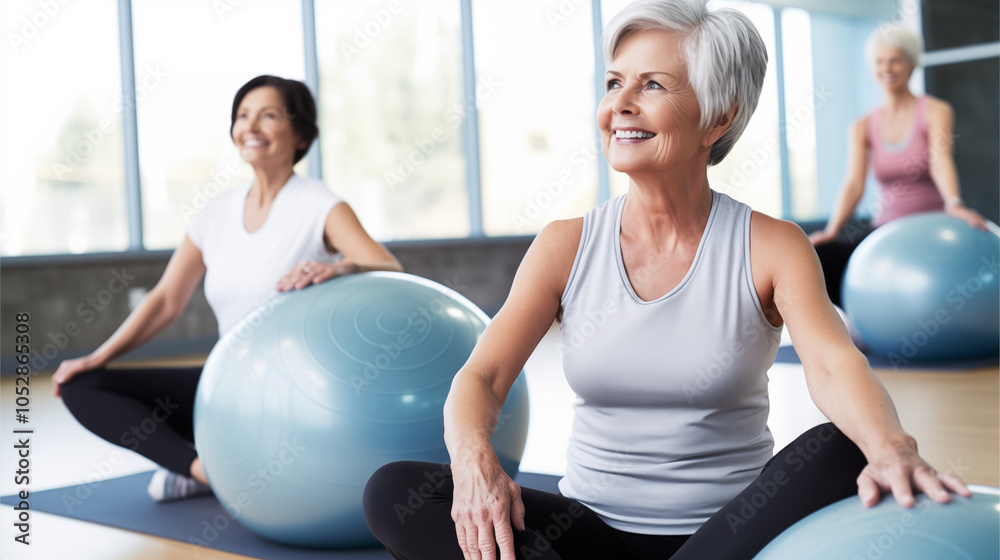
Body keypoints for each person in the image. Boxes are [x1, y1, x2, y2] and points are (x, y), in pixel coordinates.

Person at [361, 2, 969, 559]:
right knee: (394, 490)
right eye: (613, 83)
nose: (620, 104)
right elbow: (482, 377)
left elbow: (835, 367)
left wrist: (891, 445)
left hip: (729, 531)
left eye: (652, 85)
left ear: (718, 116)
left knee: (841, 447)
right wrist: (473, 462)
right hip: (586, 530)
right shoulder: (565, 245)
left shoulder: (770, 246)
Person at [52, 75, 402, 502]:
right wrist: (98, 356)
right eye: (242, 116)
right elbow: (165, 300)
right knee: (81, 385)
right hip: (228, 389)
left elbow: (388, 265)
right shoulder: (215, 213)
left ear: (301, 133)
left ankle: (221, 463)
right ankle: (205, 470)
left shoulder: (319, 205)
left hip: (295, 398)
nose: (250, 127)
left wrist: (341, 267)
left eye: (268, 115)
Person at [809, 24, 987, 306]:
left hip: (930, 229)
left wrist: (954, 203)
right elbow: (854, 183)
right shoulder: (863, 125)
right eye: (879, 61)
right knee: (817, 255)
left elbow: (940, 160)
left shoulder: (935, 111)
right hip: (885, 231)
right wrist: (832, 230)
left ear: (912, 64)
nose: (887, 68)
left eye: (895, 60)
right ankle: (862, 323)